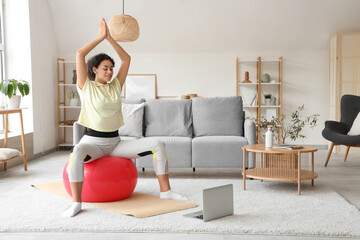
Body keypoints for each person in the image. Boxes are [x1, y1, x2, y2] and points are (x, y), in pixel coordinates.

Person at [62, 18, 187, 218]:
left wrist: (111, 39)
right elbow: (80, 53)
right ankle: (76, 202)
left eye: (111, 68)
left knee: (158, 144)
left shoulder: (115, 86)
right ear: (94, 69)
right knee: (77, 151)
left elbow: (126, 59)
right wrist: (100, 38)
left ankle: (166, 192)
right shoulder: (85, 86)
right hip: (93, 143)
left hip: (116, 142)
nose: (110, 72)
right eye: (105, 68)